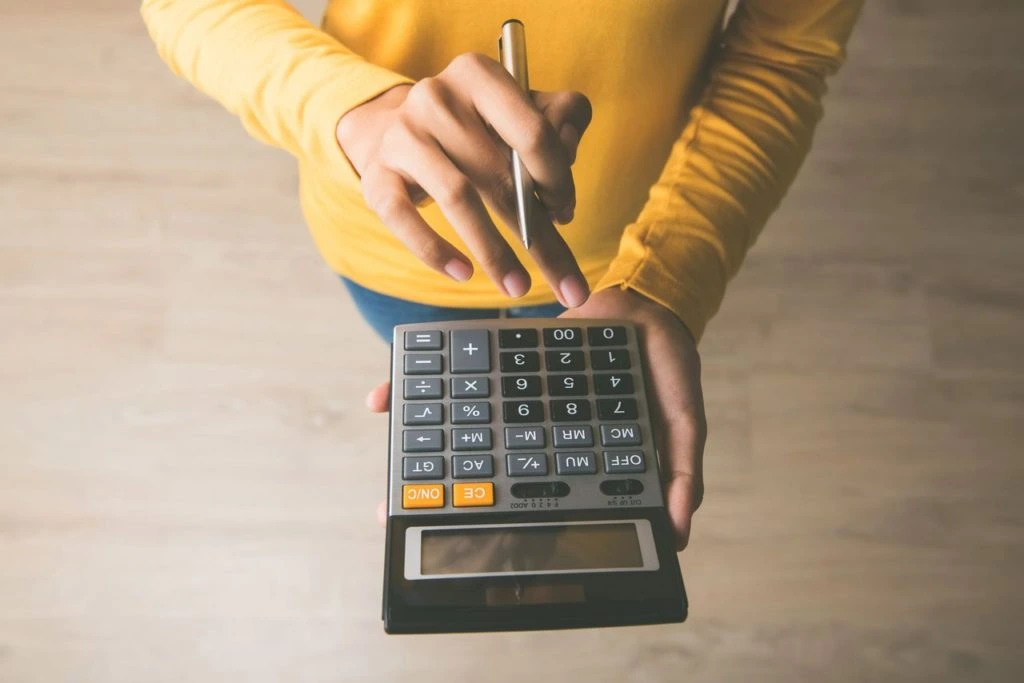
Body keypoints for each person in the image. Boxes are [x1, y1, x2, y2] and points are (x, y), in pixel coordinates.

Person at [141, 0, 863, 550]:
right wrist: (354, 109)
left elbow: (783, 58)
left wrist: (670, 271)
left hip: (627, 255)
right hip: (401, 244)